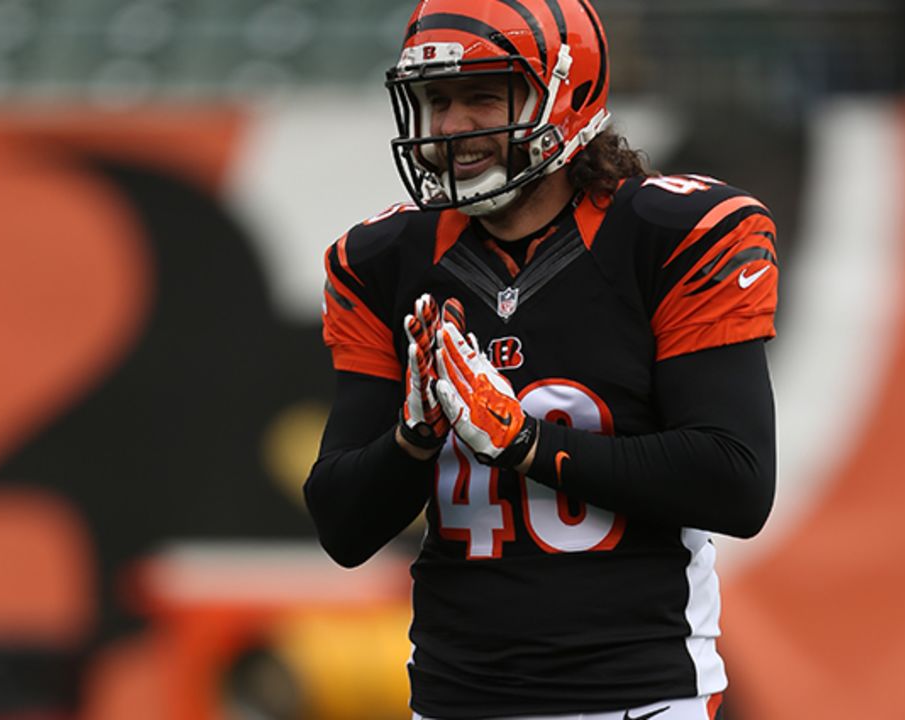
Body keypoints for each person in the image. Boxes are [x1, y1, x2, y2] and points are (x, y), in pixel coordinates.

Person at [304, 0, 778, 718]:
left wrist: (524, 443)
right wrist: (414, 440)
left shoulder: (671, 236)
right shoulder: (382, 262)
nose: (453, 126)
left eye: (481, 96)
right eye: (436, 101)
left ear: (564, 91)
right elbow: (341, 527)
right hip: (454, 695)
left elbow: (735, 482)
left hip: (636, 694)